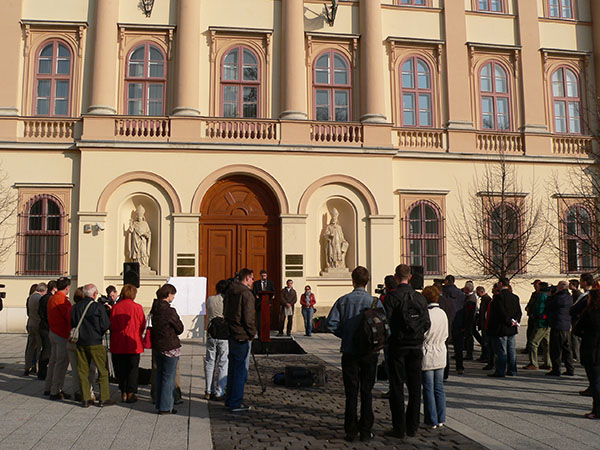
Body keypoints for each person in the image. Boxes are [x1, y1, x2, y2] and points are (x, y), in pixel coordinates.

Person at [327, 266, 381, 443]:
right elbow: (383, 326)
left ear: (353, 280)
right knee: (367, 391)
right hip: (369, 352)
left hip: (350, 351)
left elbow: (331, 323)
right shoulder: (375, 302)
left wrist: (346, 334)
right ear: (367, 281)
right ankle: (366, 430)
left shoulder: (343, 300)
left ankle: (350, 430)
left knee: (351, 393)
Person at [384, 264, 431, 439]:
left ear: (396, 277)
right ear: (410, 277)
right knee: (414, 387)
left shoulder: (391, 297)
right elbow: (427, 323)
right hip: (416, 346)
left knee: (396, 387)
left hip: (397, 346)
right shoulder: (420, 298)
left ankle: (399, 428)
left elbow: (385, 322)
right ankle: (412, 426)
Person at [71, 284, 113, 407]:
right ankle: (104, 398)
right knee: (102, 371)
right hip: (95, 342)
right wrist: (98, 332)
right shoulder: (98, 307)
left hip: (81, 342)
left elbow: (73, 323)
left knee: (82, 371)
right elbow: (105, 324)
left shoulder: (76, 307)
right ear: (94, 294)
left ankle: (85, 398)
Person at [224, 268, 257, 412]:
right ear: (248, 278)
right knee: (240, 371)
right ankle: (236, 402)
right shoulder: (246, 294)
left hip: (232, 332)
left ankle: (229, 398)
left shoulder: (230, 291)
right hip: (242, 335)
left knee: (232, 369)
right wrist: (252, 332)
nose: (253, 281)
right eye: (252, 278)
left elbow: (226, 312)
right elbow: (248, 317)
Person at [151, 283, 184, 414]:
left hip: (158, 345)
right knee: (168, 377)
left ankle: (160, 403)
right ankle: (166, 406)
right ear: (168, 294)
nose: (173, 297)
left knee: (159, 375)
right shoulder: (170, 311)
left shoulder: (155, 309)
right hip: (169, 345)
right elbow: (179, 328)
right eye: (173, 294)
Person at [110, 284, 145, 403]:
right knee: (133, 369)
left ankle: (123, 391)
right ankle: (131, 392)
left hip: (118, 342)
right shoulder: (138, 307)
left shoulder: (116, 307)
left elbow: (112, 325)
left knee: (120, 368)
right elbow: (142, 325)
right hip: (133, 342)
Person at [421, 285, 448, 429]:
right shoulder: (442, 313)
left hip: (428, 350)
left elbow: (424, 334)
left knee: (428, 388)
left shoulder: (427, 314)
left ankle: (431, 419)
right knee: (439, 387)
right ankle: (441, 417)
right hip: (441, 351)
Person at [67, 287, 98, 403]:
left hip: (72, 340)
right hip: (85, 341)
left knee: (75, 370)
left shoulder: (73, 308)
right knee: (89, 369)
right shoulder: (89, 308)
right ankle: (88, 392)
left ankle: (77, 393)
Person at [573, 289, 600, 419]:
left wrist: (586, 333)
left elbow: (577, 330)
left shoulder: (589, 313)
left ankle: (597, 410)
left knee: (595, 382)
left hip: (592, 350)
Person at [487, 277, 522, 378]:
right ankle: (512, 370)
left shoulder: (498, 297)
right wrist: (515, 321)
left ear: (501, 284)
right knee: (511, 350)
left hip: (501, 327)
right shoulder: (515, 297)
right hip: (512, 328)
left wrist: (507, 321)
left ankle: (500, 371)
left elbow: (500, 312)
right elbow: (518, 312)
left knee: (502, 351)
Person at [45, 277, 72, 400]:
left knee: (53, 361)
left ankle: (48, 387)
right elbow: (69, 317)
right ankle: (56, 390)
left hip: (53, 331)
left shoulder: (52, 298)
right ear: (67, 288)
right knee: (61, 363)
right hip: (61, 334)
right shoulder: (62, 300)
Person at [204, 280, 229, 401]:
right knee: (223, 363)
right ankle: (220, 391)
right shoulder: (226, 300)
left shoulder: (210, 299)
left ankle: (208, 390)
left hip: (211, 333)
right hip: (224, 335)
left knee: (210, 362)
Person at [546, 280, 575, 377]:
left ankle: (556, 369)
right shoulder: (569, 297)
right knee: (567, 349)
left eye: (558, 286)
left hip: (557, 325)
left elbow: (549, 306)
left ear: (561, 287)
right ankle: (570, 368)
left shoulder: (558, 297)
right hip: (566, 325)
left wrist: (551, 295)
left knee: (555, 349)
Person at [573, 273, 594, 396]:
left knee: (589, 360)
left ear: (585, 282)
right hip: (586, 329)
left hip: (586, 330)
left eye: (581, 281)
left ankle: (593, 386)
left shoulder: (586, 296)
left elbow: (574, 309)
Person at [523, 282, 550, 371]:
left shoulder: (542, 296)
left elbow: (539, 309)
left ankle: (534, 363)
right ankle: (548, 363)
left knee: (533, 343)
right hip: (547, 322)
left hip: (540, 322)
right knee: (546, 343)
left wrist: (534, 315)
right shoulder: (549, 295)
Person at [443, 275, 466, 375]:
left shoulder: (444, 293)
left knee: (445, 346)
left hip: (447, 321)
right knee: (458, 347)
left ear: (447, 281)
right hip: (459, 321)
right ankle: (459, 366)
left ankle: (445, 368)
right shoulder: (461, 293)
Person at [24, 283, 47, 376]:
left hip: (31, 322)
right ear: (43, 290)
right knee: (39, 347)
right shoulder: (39, 298)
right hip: (38, 324)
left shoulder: (30, 297)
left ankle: (27, 366)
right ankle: (37, 367)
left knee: (30, 346)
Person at [37, 280, 57, 381]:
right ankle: (42, 373)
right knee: (47, 351)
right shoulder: (49, 298)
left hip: (43, 326)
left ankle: (42, 372)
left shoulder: (44, 297)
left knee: (45, 349)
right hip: (46, 328)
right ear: (54, 288)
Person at [252, 269, 275, 336]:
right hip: (259, 305)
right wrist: (256, 296)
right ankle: (259, 333)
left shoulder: (270, 283)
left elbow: (273, 291)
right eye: (262, 276)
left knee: (267, 321)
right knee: (259, 321)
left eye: (265, 276)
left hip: (268, 304)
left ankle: (267, 334)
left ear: (267, 276)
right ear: (260, 276)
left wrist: (273, 295)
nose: (264, 277)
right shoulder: (256, 283)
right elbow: (254, 292)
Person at [524, 280, 542, 354]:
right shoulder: (534, 294)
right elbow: (530, 303)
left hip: (536, 317)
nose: (535, 286)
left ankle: (538, 350)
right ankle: (528, 348)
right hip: (531, 316)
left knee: (536, 334)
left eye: (536, 285)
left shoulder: (541, 295)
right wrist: (527, 307)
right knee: (529, 333)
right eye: (534, 285)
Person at [476, 286, 492, 364]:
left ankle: (485, 356)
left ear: (481, 292)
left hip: (485, 323)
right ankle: (484, 355)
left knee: (485, 340)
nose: (477, 294)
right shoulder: (485, 299)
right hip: (483, 323)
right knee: (484, 339)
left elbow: (485, 312)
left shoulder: (486, 299)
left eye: (477, 292)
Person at [463, 281, 477, 361]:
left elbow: (469, 312)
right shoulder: (469, 297)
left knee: (469, 337)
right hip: (469, 320)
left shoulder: (471, 299)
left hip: (469, 321)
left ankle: (469, 353)